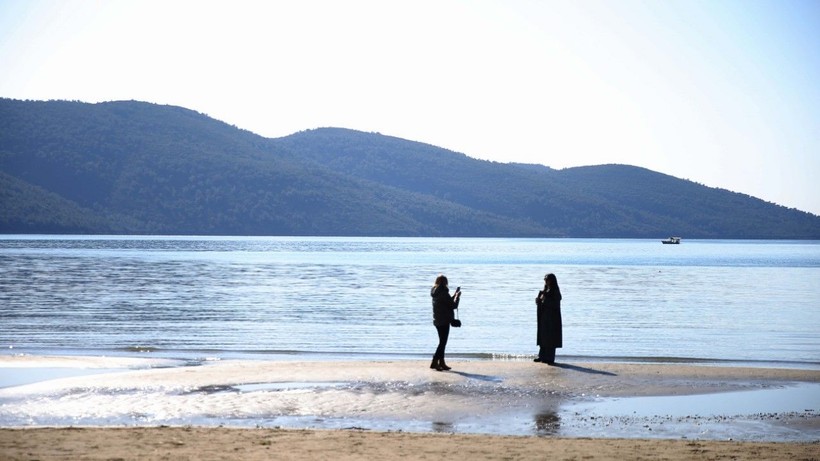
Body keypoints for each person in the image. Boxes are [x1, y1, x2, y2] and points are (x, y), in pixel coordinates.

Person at [430, 274, 460, 371]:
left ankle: (441, 362)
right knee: (442, 343)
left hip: (437, 320)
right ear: (445, 282)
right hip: (444, 320)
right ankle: (435, 361)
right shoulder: (443, 292)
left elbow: (446, 302)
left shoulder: (435, 291)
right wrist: (457, 297)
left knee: (442, 342)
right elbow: (453, 305)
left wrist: (454, 295)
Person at [535, 273, 562, 365]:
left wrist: (544, 300)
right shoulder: (545, 290)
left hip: (552, 319)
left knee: (550, 338)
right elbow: (542, 302)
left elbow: (554, 304)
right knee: (543, 336)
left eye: (547, 279)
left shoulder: (555, 291)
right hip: (544, 317)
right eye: (544, 279)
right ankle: (542, 356)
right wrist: (538, 301)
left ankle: (549, 358)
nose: (545, 281)